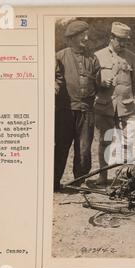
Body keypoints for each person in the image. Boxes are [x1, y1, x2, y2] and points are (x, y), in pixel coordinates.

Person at [92, 22, 135, 186]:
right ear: (111, 37)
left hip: (127, 107)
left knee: (129, 142)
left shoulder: (132, 57)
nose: (123, 44)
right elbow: (92, 82)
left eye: (126, 40)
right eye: (120, 40)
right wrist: (101, 83)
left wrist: (134, 100)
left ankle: (128, 177)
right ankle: (103, 176)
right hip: (105, 106)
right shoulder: (98, 56)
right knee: (105, 142)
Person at [54, 20, 100, 191]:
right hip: (65, 111)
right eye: (82, 35)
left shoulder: (92, 58)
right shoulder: (60, 56)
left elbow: (97, 84)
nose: (86, 38)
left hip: (86, 111)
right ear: (72, 37)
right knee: (61, 146)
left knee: (84, 149)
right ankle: (54, 183)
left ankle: (79, 182)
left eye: (86, 34)